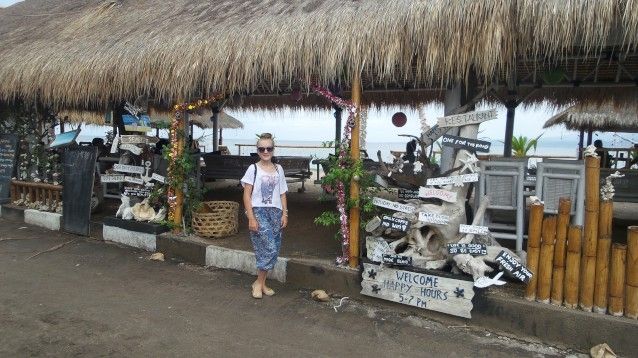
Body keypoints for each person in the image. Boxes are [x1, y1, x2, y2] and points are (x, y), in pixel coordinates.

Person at [241, 133, 288, 299]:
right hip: (259, 211)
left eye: (269, 148)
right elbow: (247, 195)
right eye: (262, 148)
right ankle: (258, 283)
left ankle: (261, 283)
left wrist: (285, 213)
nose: (265, 151)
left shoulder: (278, 169)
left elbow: (282, 193)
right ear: (258, 150)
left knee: (273, 249)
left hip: (276, 212)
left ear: (273, 150)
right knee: (268, 248)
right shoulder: (252, 169)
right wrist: (251, 218)